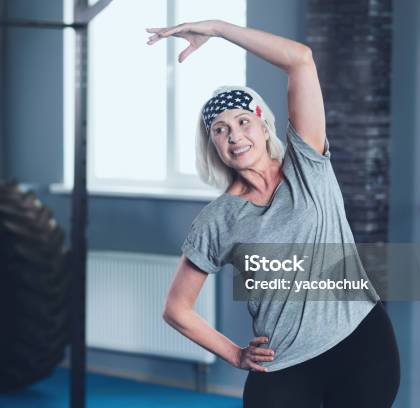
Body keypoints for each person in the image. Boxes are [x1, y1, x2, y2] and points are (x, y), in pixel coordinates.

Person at [146, 19, 400, 407]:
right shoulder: (217, 220)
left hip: (361, 344)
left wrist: (216, 29)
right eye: (220, 129)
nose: (234, 135)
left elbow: (300, 60)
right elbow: (176, 309)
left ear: (264, 125)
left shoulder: (308, 164)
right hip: (283, 363)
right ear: (212, 144)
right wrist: (234, 353)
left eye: (243, 121)